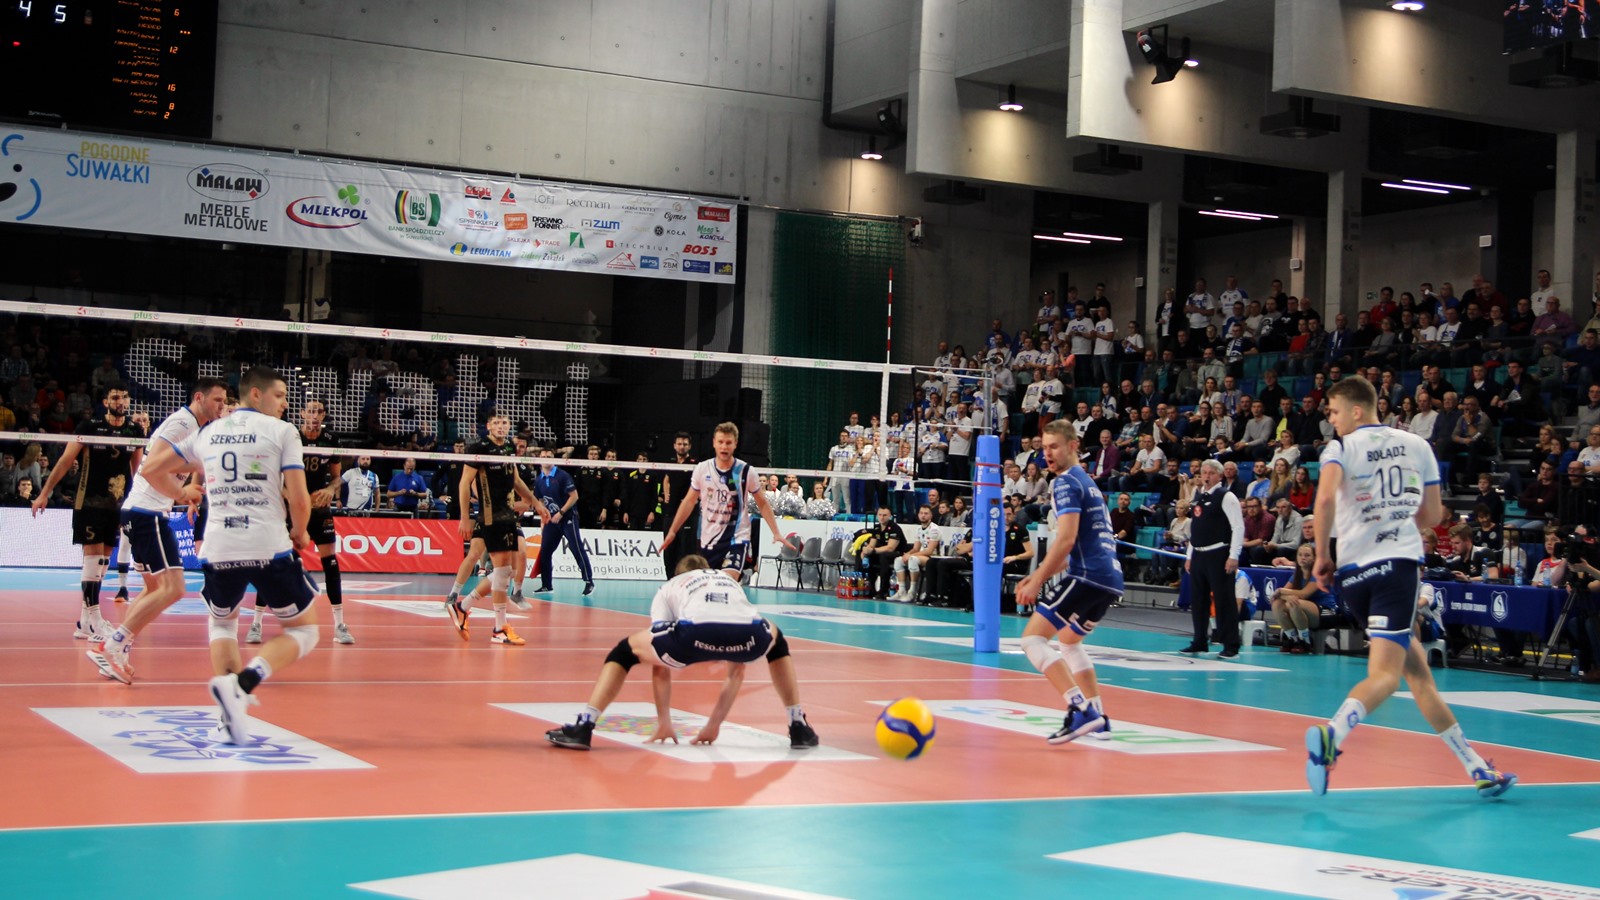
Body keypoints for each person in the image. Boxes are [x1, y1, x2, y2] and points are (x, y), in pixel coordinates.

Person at [1304, 375, 1514, 799]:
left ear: (1357, 410)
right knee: (1385, 676)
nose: (1332, 419)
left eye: (1335, 411)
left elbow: (1323, 500)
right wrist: (1398, 518)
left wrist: (1322, 555)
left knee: (1417, 674)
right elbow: (1433, 515)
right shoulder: (1418, 446)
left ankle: (1476, 766)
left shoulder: (1339, 449)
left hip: (1354, 577)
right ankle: (1331, 735)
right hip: (1395, 568)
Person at [138, 366, 324, 745]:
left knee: (222, 624)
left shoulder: (208, 433)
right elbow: (300, 497)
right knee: (305, 630)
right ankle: (245, 682)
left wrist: (180, 494)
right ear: (256, 394)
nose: (285, 404)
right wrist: (301, 532)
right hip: (267, 544)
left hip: (219, 547)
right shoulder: (282, 431)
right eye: (280, 396)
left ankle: (229, 720)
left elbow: (151, 468)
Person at [544, 555, 819, 750]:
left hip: (695, 633)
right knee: (778, 643)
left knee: (624, 652)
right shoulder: (727, 580)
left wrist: (664, 721)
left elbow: (660, 662)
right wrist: (714, 725)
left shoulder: (670, 586)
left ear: (678, 574)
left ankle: (585, 726)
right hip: (748, 637)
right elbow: (737, 671)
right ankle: (798, 725)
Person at [1014, 419, 1124, 744]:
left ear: (1073, 446)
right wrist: (1038, 574)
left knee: (1032, 640)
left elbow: (1065, 539)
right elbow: (1076, 546)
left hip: (1088, 576)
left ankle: (1081, 709)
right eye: (1044, 447)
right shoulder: (1088, 482)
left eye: (1054, 447)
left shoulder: (1064, 483)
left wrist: (1037, 582)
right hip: (1110, 578)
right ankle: (1098, 718)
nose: (1047, 454)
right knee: (1069, 642)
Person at [32, 383, 144, 644]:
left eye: (124, 397)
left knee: (103, 562)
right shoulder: (89, 427)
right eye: (115, 397)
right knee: (92, 560)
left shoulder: (135, 430)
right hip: (89, 502)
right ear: (106, 402)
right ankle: (94, 618)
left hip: (116, 505)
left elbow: (136, 471)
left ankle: (85, 622)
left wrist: (136, 503)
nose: (120, 401)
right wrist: (45, 493)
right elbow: (65, 461)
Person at [249, 398, 354, 646]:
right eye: (311, 411)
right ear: (302, 413)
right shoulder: (289, 436)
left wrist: (330, 489)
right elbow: (273, 476)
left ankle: (340, 625)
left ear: (324, 415)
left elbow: (337, 478)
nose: (315, 416)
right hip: (290, 510)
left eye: (319, 412)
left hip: (319, 509)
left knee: (331, 563)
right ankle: (256, 623)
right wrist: (292, 496)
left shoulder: (331, 440)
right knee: (273, 562)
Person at [444, 413, 542, 645]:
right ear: (488, 426)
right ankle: (498, 628)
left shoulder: (509, 447)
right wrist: (464, 517)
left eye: (504, 423)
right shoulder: (479, 447)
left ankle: (463, 607)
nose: (500, 426)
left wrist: (535, 503)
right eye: (496, 423)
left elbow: (516, 480)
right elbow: (464, 483)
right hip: (490, 516)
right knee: (500, 569)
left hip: (507, 514)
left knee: (507, 571)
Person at [660, 422, 792, 582]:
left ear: (735, 444)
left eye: (728, 442)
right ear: (714, 443)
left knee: (727, 580)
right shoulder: (702, 469)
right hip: (710, 539)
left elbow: (762, 502)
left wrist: (776, 532)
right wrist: (673, 530)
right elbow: (689, 501)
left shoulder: (746, 471)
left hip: (737, 537)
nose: (724, 447)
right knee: (711, 585)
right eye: (721, 442)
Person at [1181, 459, 1245, 658]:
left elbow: (1238, 527)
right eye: (1204, 472)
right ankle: (1199, 640)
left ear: (1220, 475)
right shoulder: (1199, 496)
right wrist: (1190, 555)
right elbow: (1195, 529)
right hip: (1199, 554)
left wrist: (1233, 555)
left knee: (1224, 600)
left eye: (1211, 473)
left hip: (1219, 554)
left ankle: (1231, 645)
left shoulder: (1226, 496)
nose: (1207, 476)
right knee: (1198, 600)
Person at [529, 446, 597, 597]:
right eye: (543, 457)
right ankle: (547, 585)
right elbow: (541, 501)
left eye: (549, 457)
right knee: (545, 551)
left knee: (576, 547)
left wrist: (561, 513)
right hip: (551, 520)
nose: (546, 459)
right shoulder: (539, 479)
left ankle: (589, 581)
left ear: (554, 459)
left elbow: (574, 496)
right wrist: (543, 520)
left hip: (567, 517)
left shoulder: (562, 476)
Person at [1270, 544, 1334, 654]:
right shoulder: (1297, 575)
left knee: (1295, 603)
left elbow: (1304, 594)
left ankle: (1305, 641)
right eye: (1300, 555)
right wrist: (1286, 595)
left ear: (1314, 558)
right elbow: (1279, 596)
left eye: (1307, 555)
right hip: (1305, 608)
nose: (1303, 558)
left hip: (1326, 611)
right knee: (1277, 604)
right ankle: (1293, 639)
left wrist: (1281, 591)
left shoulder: (1319, 573)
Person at [660, 432, 697, 577]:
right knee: (669, 550)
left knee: (686, 550)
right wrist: (666, 493)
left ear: (690, 446)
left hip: (688, 514)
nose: (682, 447)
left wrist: (693, 498)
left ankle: (686, 581)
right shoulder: (670, 462)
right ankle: (670, 581)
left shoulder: (695, 463)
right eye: (679, 444)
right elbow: (666, 478)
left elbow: (700, 483)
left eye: (685, 444)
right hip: (671, 512)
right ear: (674, 446)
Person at [892, 504, 942, 602]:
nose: (923, 515)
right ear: (918, 515)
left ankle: (912, 591)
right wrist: (906, 554)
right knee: (898, 560)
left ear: (931, 515)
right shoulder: (919, 529)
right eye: (921, 513)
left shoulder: (934, 529)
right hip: (923, 556)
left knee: (912, 559)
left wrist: (910, 555)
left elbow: (930, 551)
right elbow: (916, 548)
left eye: (926, 513)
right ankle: (901, 591)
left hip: (934, 558)